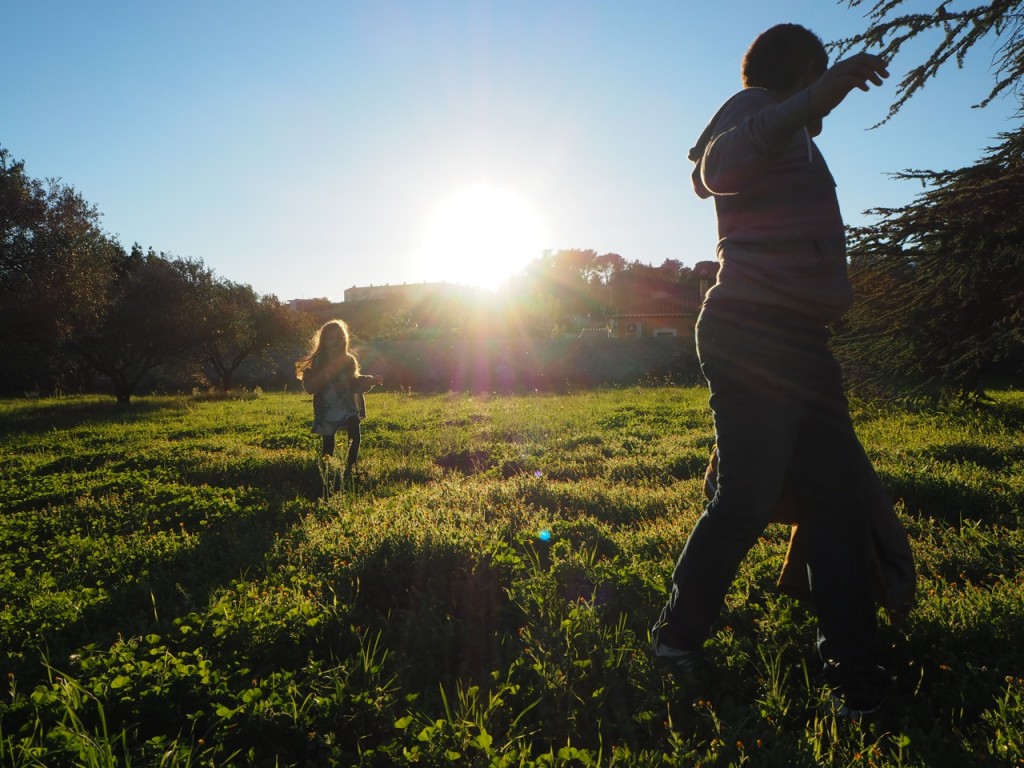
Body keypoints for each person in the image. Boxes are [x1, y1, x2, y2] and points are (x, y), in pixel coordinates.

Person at [651, 24, 895, 717]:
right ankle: (675, 641)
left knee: (837, 504)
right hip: (753, 333)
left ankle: (853, 675)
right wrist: (822, 90)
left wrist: (815, 101)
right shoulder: (750, 110)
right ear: (800, 75)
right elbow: (718, 169)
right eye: (815, 82)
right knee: (746, 500)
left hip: (800, 340)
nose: (823, 103)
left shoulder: (792, 135)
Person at [295, 319, 383, 485]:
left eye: (339, 337)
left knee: (354, 431)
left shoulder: (348, 359)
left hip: (347, 403)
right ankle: (326, 466)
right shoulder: (319, 360)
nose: (336, 341)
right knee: (328, 440)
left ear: (345, 339)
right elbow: (311, 384)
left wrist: (371, 380)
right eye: (331, 338)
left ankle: (351, 465)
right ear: (324, 341)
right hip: (327, 405)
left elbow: (354, 380)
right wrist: (309, 379)